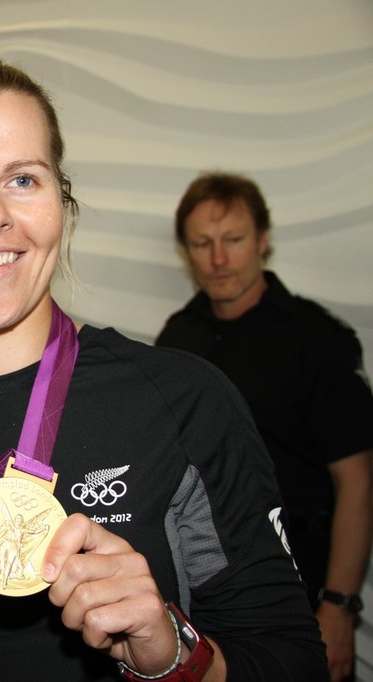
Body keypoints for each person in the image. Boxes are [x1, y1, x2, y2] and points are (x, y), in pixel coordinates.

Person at [0, 54, 328, 681]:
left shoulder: (181, 400)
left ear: (61, 197)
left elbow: (292, 662)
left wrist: (174, 652)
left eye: (22, 179)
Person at [156, 171, 373, 682]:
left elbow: (359, 482)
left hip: (303, 577)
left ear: (263, 241)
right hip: (202, 590)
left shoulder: (317, 339)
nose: (218, 259)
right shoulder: (175, 340)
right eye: (202, 244)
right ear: (187, 251)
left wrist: (339, 607)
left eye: (233, 240)